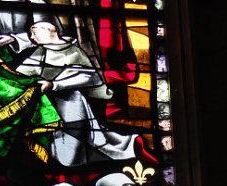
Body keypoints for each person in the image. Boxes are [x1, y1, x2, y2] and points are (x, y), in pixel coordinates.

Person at [9, 20, 141, 167]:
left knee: (73, 151)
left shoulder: (74, 52)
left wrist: (54, 84)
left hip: (72, 104)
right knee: (58, 150)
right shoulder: (40, 52)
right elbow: (20, 73)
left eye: (35, 33)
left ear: (49, 32)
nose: (32, 37)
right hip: (49, 105)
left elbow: (88, 76)